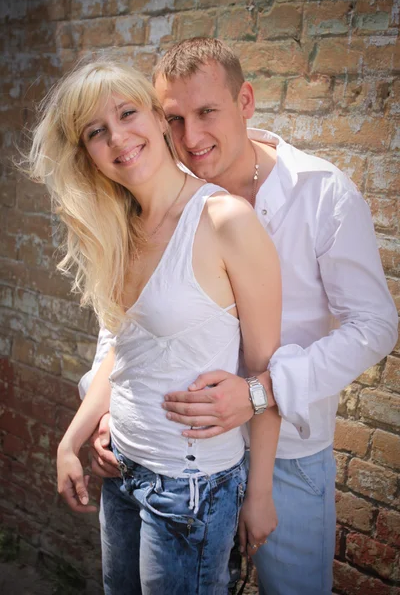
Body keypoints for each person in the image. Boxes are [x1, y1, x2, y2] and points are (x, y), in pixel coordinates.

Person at [83, 39, 399, 595]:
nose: (191, 138)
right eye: (175, 119)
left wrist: (261, 391)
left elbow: (374, 326)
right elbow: (126, 318)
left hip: (288, 460)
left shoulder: (323, 194)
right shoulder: (157, 191)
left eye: (208, 112)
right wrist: (108, 407)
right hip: (180, 454)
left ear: (245, 99)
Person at [27, 57, 282, 594]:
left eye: (127, 113)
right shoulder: (119, 229)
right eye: (97, 132)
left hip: (191, 488)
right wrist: (70, 442)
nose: (118, 138)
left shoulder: (225, 220)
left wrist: (258, 495)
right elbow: (126, 351)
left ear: (159, 120)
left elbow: (264, 370)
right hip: (120, 470)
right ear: (87, 154)